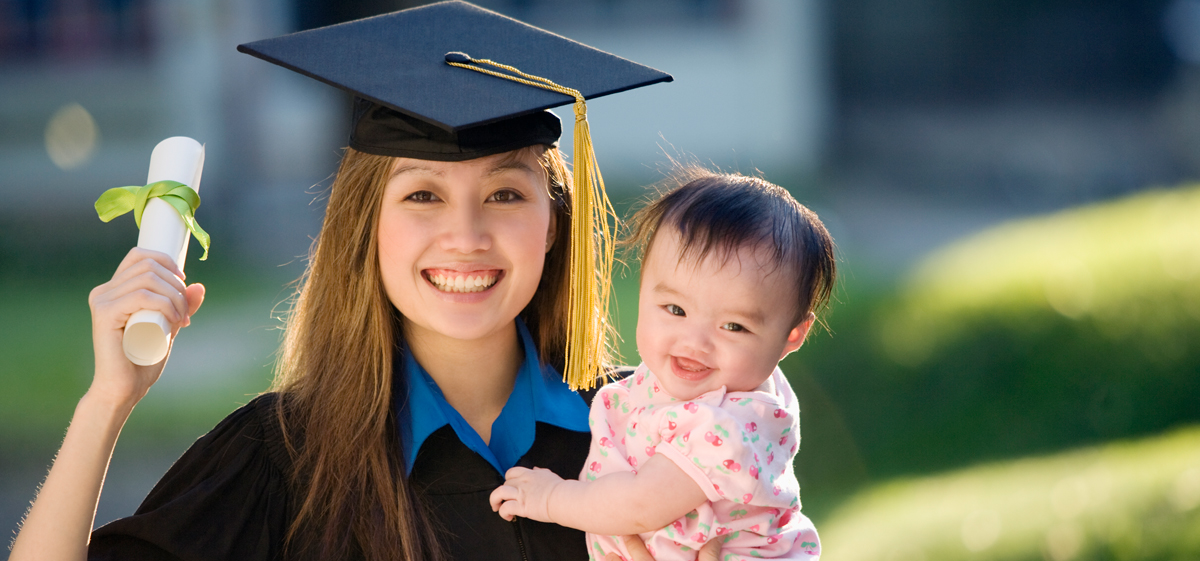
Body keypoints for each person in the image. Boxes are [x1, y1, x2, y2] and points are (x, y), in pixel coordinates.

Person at [7, 2, 719, 560]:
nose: (466, 236)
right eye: (422, 196)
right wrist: (108, 398)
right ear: (365, 226)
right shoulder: (282, 462)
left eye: (505, 194)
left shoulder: (653, 434)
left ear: (555, 222)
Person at [490, 169, 836, 560]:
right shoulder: (751, 382)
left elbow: (639, 506)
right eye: (675, 309)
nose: (694, 342)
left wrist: (552, 498)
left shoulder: (721, 426)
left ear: (792, 335)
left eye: (734, 326)